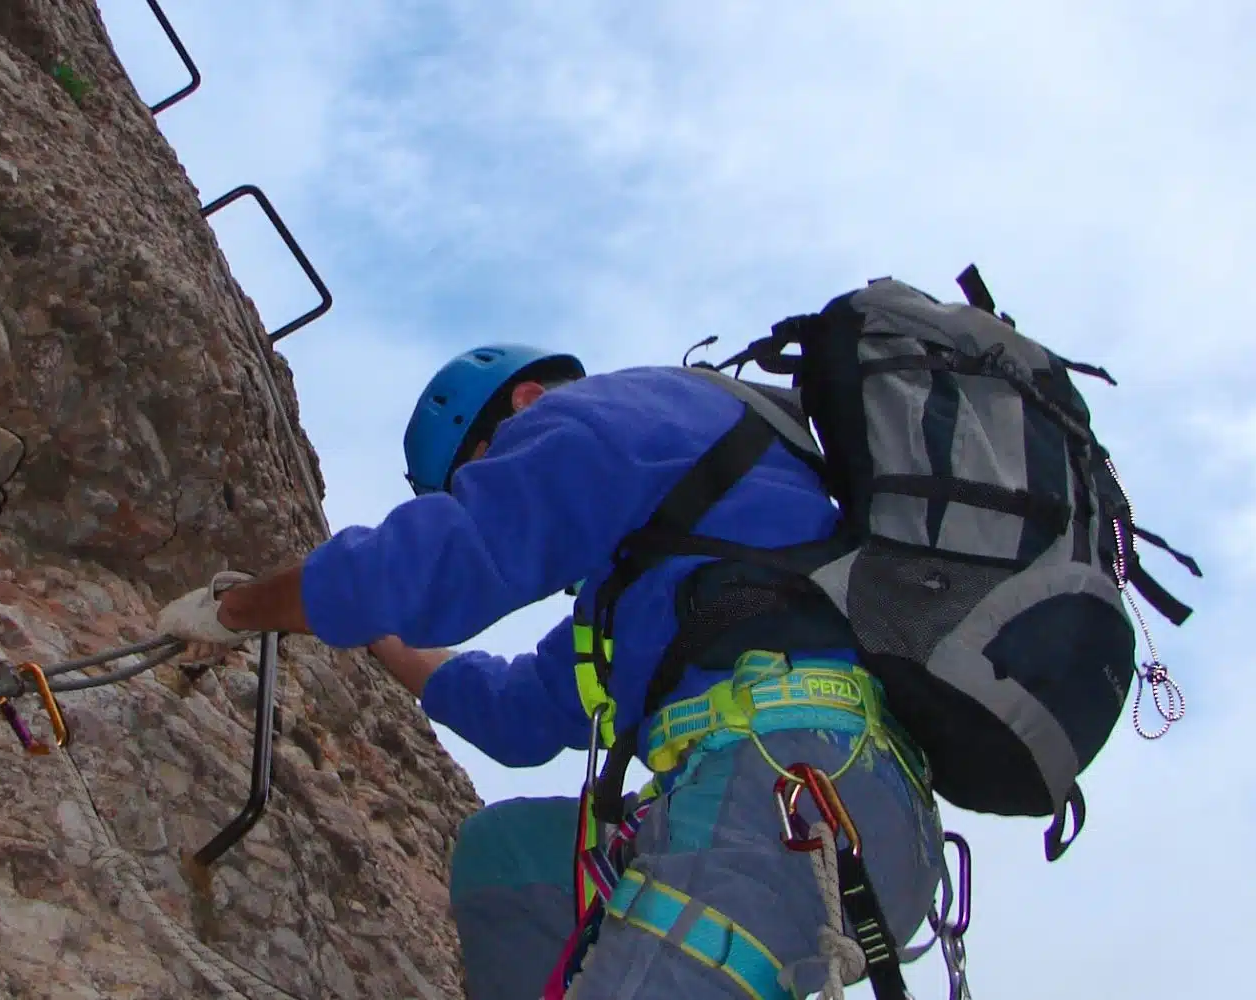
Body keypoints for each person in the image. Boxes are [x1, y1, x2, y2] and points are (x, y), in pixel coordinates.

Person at [156, 343, 946, 1000]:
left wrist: (238, 609)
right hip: (844, 815)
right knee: (511, 851)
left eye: (486, 470)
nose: (496, 488)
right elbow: (517, 715)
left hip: (776, 801)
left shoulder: (604, 416)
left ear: (526, 401)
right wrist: (373, 637)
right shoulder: (662, 579)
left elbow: (435, 562)